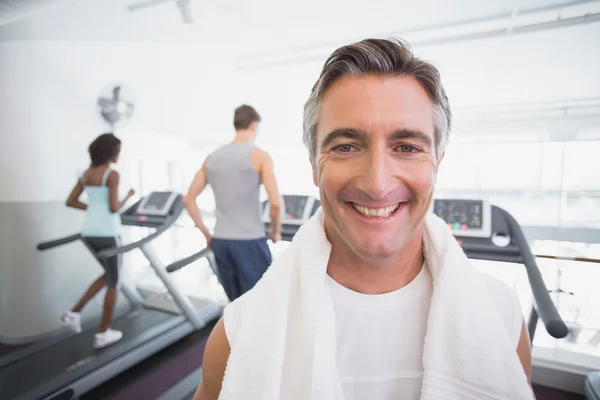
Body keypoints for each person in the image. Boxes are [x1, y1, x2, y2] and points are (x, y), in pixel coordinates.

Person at [193, 39, 533, 400]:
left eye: (407, 147)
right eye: (345, 147)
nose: (377, 184)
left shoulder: (501, 317)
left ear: (437, 163)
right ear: (313, 166)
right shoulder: (239, 334)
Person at [183, 105, 282, 302]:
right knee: (259, 304)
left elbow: (188, 199)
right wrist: (275, 232)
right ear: (254, 125)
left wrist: (207, 234)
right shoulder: (260, 156)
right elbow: (276, 203)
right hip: (250, 242)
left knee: (236, 306)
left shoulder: (212, 158)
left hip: (221, 242)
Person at [61, 133, 135, 349]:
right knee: (115, 281)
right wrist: (129, 196)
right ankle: (102, 333)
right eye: (118, 150)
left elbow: (71, 201)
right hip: (108, 233)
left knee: (108, 274)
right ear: (111, 152)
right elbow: (114, 208)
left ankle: (73, 313)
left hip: (88, 232)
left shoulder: (87, 174)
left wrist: (92, 209)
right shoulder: (112, 174)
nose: (119, 154)